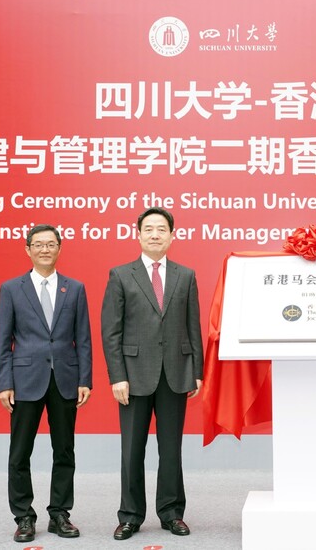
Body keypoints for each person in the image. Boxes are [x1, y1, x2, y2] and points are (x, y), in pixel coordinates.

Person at [101, 207, 204, 540]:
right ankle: (130, 515)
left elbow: (193, 326)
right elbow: (111, 331)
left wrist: (196, 370)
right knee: (132, 450)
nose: (155, 234)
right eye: (149, 229)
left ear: (172, 235)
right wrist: (117, 375)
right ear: (139, 234)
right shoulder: (120, 275)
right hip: (132, 376)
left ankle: (172, 512)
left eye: (162, 229)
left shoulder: (185, 275)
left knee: (171, 449)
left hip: (175, 372)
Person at [0, 224, 93, 543]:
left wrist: (85, 379)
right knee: (20, 451)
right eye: (38, 244)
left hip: (65, 378)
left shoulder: (74, 288)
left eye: (51, 244)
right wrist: (4, 382)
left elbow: (84, 338)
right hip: (25, 379)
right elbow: (3, 340)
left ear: (59, 248)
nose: (45, 249)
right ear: (28, 249)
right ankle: (24, 516)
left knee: (64, 449)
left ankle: (60, 514)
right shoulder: (11, 288)